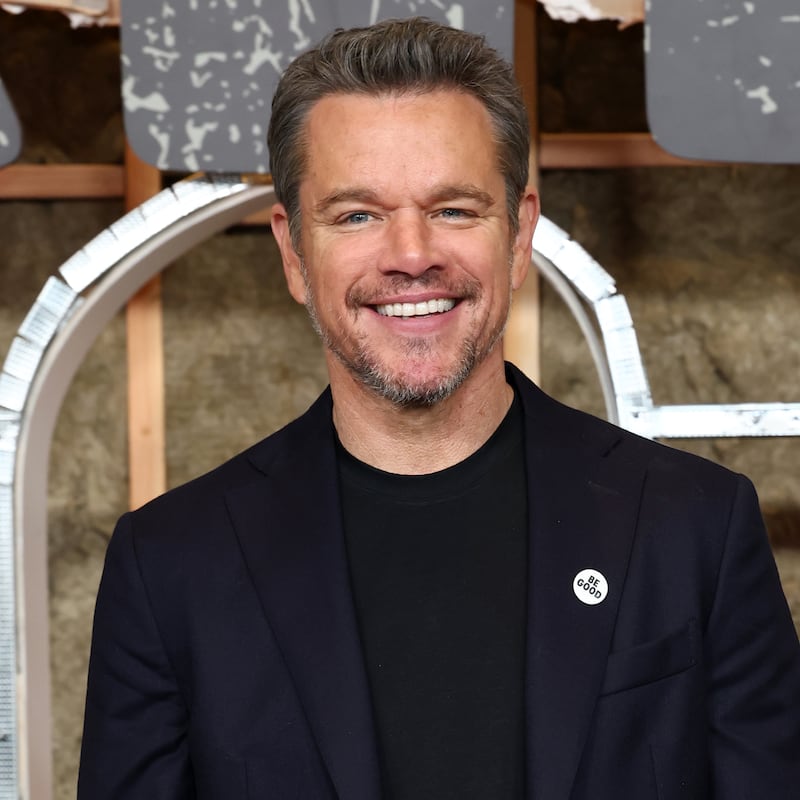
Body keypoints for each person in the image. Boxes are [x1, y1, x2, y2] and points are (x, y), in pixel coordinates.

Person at [78, 16, 800, 800]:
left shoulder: (695, 525)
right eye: (357, 215)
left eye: (454, 209)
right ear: (292, 252)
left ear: (519, 234)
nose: (412, 254)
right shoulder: (171, 566)